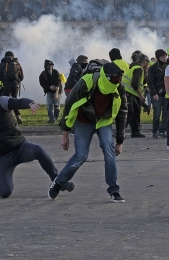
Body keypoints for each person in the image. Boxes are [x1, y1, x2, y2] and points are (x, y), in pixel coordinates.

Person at [0, 81, 73, 198]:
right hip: (1, 156)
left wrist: (30, 104)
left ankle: (58, 181)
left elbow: (18, 102)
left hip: (20, 147)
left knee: (38, 150)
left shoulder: (1, 101)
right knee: (5, 192)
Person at [49, 63, 127, 202]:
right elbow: (68, 106)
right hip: (84, 120)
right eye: (115, 80)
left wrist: (119, 141)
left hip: (103, 120)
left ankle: (114, 190)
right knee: (81, 156)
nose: (117, 83)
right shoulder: (86, 82)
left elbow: (122, 112)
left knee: (109, 152)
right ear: (106, 78)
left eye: (119, 80)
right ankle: (59, 182)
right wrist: (65, 135)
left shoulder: (119, 87)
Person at [124, 53, 149, 138]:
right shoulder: (138, 69)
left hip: (130, 93)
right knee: (130, 112)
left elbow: (143, 82)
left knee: (135, 112)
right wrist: (141, 96)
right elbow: (134, 84)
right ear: (145, 61)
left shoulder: (133, 67)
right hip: (129, 93)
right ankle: (121, 131)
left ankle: (135, 132)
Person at [0, 51, 24, 124]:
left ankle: (7, 118)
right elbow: (22, 77)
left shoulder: (3, 63)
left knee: (6, 101)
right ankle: (18, 115)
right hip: (16, 85)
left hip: (6, 85)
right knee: (14, 100)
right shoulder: (17, 63)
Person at [148, 49, 168, 139]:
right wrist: (154, 93)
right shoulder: (153, 68)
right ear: (158, 57)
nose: (164, 58)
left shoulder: (168, 66)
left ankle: (162, 130)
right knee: (157, 113)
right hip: (156, 94)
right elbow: (150, 82)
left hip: (166, 93)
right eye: (162, 56)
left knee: (166, 113)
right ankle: (155, 130)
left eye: (165, 56)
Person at [38, 60, 62, 124]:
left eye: (51, 66)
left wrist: (56, 92)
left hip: (57, 91)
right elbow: (42, 84)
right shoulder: (43, 74)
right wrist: (49, 87)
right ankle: (52, 119)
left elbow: (58, 82)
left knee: (57, 106)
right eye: (48, 66)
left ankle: (55, 118)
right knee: (49, 105)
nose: (50, 67)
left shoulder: (56, 72)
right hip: (49, 91)